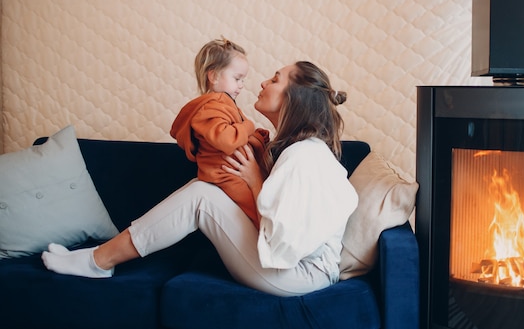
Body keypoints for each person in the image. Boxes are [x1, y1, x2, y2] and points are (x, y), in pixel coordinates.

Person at [42, 60, 359, 297]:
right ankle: (100, 259)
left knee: (202, 197)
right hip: (297, 268)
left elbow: (287, 240)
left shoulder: (303, 156)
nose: (263, 82)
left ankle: (98, 261)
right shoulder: (294, 149)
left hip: (301, 275)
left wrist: (253, 181)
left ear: (296, 97)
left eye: (275, 79)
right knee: (204, 189)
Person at [169, 37, 269, 229]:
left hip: (233, 172)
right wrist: (249, 127)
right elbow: (227, 140)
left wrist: (256, 138)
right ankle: (266, 238)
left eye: (243, 80)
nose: (241, 85)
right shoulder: (210, 107)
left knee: (262, 202)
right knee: (259, 212)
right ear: (213, 76)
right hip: (225, 175)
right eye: (237, 78)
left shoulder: (223, 104)